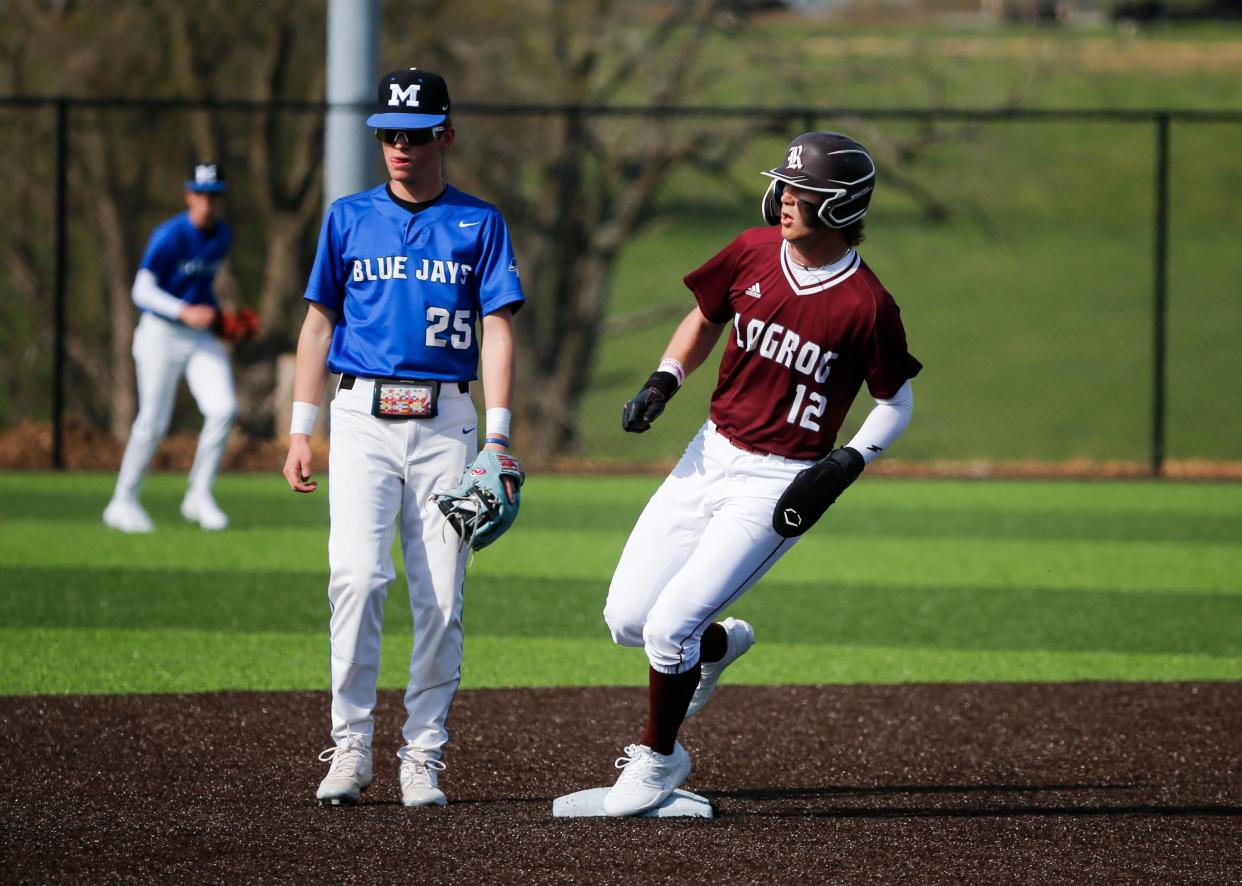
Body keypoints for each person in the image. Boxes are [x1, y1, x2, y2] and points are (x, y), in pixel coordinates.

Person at [599, 132, 922, 817]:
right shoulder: (751, 250)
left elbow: (896, 401)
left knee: (668, 630)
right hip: (709, 452)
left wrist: (848, 461)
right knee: (628, 619)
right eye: (787, 185)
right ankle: (719, 645)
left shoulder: (866, 304)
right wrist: (665, 378)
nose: (788, 200)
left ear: (842, 207)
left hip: (778, 482)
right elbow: (706, 316)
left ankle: (660, 759)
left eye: (807, 193)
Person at [282, 68, 525, 808]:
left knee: (442, 597)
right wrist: (301, 428)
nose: (399, 147)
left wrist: (499, 436)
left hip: (448, 423)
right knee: (356, 578)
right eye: (389, 134)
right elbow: (319, 324)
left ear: (445, 136)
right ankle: (351, 745)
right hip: (359, 419)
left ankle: (422, 754)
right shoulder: (348, 217)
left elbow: (497, 326)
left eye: (415, 135)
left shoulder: (479, 222)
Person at [103, 162, 237, 533]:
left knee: (223, 408)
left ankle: (198, 494)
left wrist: (220, 318)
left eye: (213, 195)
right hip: (160, 332)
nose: (206, 202)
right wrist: (184, 310)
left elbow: (200, 286)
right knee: (152, 421)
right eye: (200, 194)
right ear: (188, 195)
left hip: (198, 336)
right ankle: (122, 501)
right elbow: (140, 290)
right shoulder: (170, 235)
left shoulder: (222, 235)